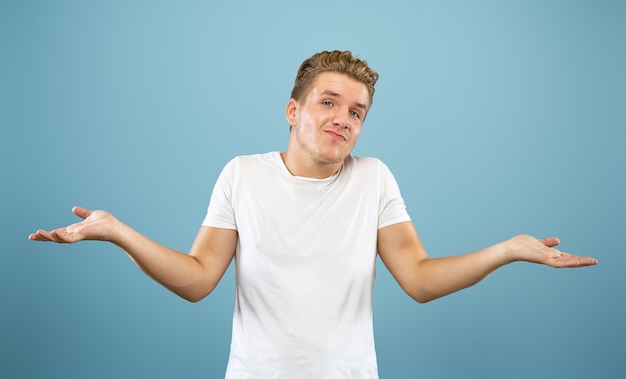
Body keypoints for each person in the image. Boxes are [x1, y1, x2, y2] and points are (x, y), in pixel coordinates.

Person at [29, 50, 597, 379]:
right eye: (329, 103)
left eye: (357, 111)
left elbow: (419, 279)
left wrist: (506, 250)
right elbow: (199, 278)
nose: (344, 119)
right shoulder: (242, 174)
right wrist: (116, 231)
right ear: (293, 110)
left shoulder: (373, 177)